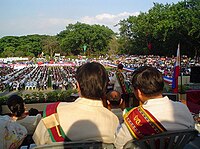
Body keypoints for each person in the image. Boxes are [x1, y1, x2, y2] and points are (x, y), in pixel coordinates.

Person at [33, 62, 119, 145]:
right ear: (105, 87)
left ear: (77, 86)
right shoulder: (114, 120)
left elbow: (38, 141)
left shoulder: (54, 112)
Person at [114, 66, 195, 149]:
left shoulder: (133, 117)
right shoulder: (183, 108)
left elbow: (118, 144)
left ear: (138, 92)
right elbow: (192, 135)